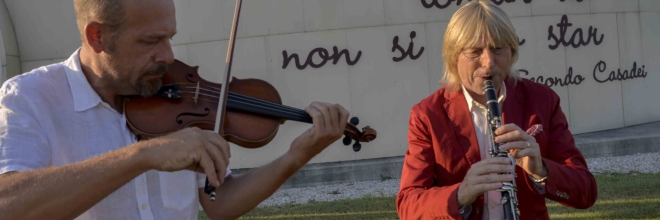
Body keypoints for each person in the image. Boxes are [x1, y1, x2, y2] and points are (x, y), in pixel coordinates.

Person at [0, 0, 350, 219]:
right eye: (151, 40)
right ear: (97, 37)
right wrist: (143, 155)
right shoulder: (29, 99)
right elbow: (9, 205)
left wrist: (295, 157)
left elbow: (219, 202)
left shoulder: (170, 91)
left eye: (170, 37)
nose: (167, 56)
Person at [396, 1, 597, 220]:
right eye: (474, 52)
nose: (489, 62)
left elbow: (585, 192)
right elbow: (408, 205)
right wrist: (461, 194)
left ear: (512, 51)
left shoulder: (542, 100)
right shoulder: (427, 115)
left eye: (498, 49)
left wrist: (541, 170)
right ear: (454, 57)